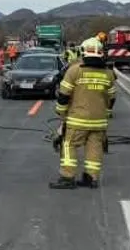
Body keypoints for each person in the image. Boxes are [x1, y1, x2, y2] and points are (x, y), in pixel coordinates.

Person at [50, 37, 116, 189]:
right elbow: (112, 98)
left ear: (83, 52)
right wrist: (106, 112)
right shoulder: (108, 74)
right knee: (95, 147)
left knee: (68, 145)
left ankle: (67, 177)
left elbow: (64, 95)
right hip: (99, 121)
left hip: (77, 120)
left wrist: (61, 113)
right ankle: (91, 178)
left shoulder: (74, 71)